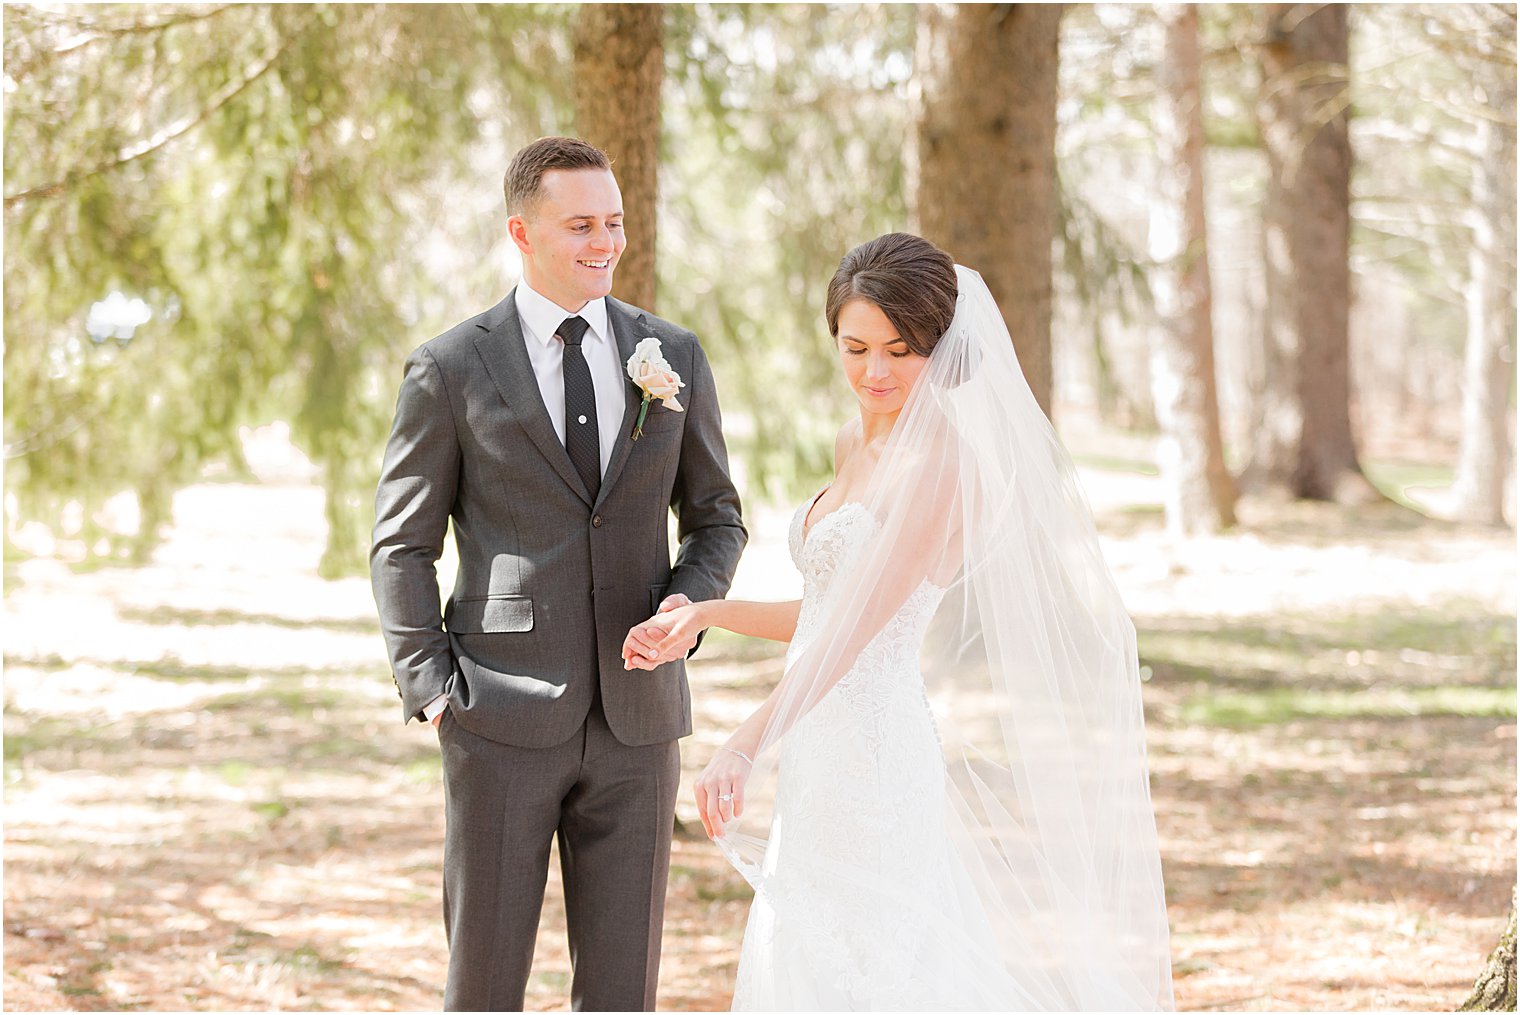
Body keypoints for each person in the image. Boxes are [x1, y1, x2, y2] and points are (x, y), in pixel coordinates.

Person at [623, 233, 1175, 1009]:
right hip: (819, 748)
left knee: (878, 963)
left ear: (941, 349)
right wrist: (707, 611)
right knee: (808, 953)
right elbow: (826, 613)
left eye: (900, 350)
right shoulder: (856, 439)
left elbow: (854, 634)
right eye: (855, 347)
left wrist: (749, 737)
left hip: (877, 755)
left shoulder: (944, 462)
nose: (874, 372)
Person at [371, 135, 747, 1011]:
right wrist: (430, 686)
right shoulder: (453, 366)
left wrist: (687, 607)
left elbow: (716, 515)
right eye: (580, 224)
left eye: (612, 222)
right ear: (523, 232)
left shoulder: (673, 356)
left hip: (640, 718)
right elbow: (402, 542)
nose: (604, 242)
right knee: (486, 982)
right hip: (496, 713)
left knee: (624, 990)